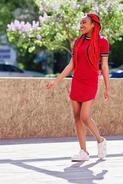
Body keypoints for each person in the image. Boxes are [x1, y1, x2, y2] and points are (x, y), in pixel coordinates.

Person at [46, 13, 110, 162]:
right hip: (77, 81)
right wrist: (56, 81)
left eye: (84, 23)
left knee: (85, 116)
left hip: (91, 81)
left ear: (93, 24)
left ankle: (100, 140)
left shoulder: (102, 42)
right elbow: (71, 65)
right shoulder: (78, 42)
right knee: (76, 118)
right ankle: (83, 152)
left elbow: (105, 66)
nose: (81, 25)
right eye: (80, 23)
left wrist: (107, 87)